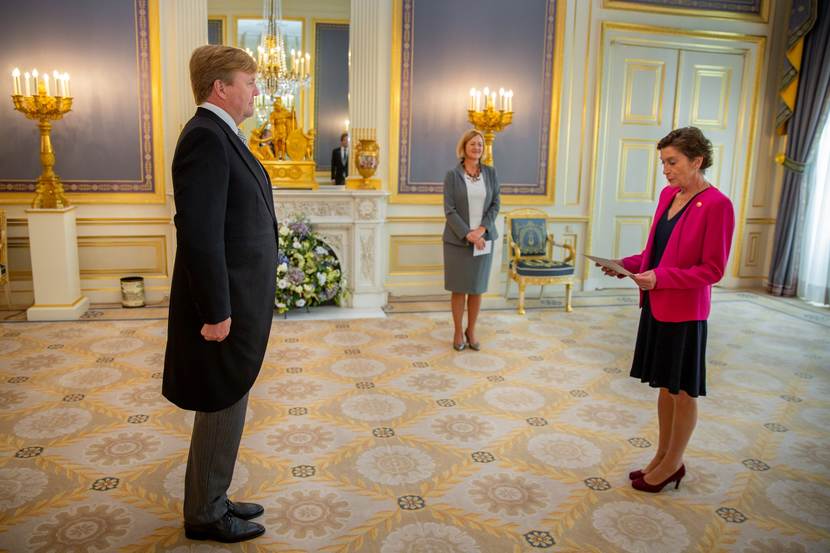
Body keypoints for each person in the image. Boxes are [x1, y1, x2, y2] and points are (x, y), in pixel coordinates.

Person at [163, 44, 278, 542]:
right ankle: (205, 514)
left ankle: (212, 496)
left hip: (237, 299)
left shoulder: (221, 134)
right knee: (220, 401)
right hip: (223, 306)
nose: (256, 91)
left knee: (229, 398)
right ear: (220, 87)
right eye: (249, 82)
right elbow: (200, 233)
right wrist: (215, 311)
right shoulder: (205, 137)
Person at [598, 127, 734, 493]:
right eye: (663, 162)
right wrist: (624, 265)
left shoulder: (717, 205)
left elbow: (713, 270)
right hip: (657, 305)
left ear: (697, 160)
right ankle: (661, 456)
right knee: (665, 387)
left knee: (683, 391)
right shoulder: (668, 195)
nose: (666, 170)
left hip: (686, 312)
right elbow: (656, 253)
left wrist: (661, 278)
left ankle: (674, 463)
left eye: (672, 162)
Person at [442, 129, 501, 351]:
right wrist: (469, 234)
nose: (477, 147)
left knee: (476, 288)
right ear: (464, 147)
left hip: (484, 240)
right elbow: (449, 210)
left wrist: (481, 230)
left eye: (480, 144)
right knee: (459, 289)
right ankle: (458, 331)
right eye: (473, 144)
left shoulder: (491, 173)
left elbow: (495, 204)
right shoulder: (452, 175)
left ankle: (471, 330)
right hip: (458, 241)